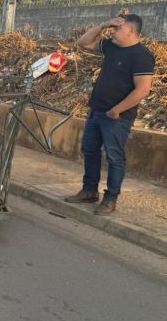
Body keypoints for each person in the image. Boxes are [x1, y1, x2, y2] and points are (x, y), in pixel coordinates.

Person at [64, 14, 154, 216]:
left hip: (117, 117)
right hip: (97, 111)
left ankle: (110, 198)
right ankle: (89, 191)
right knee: (90, 151)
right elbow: (83, 43)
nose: (113, 31)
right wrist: (103, 25)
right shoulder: (111, 47)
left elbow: (142, 90)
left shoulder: (141, 55)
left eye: (117, 28)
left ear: (130, 30)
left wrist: (117, 110)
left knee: (114, 157)